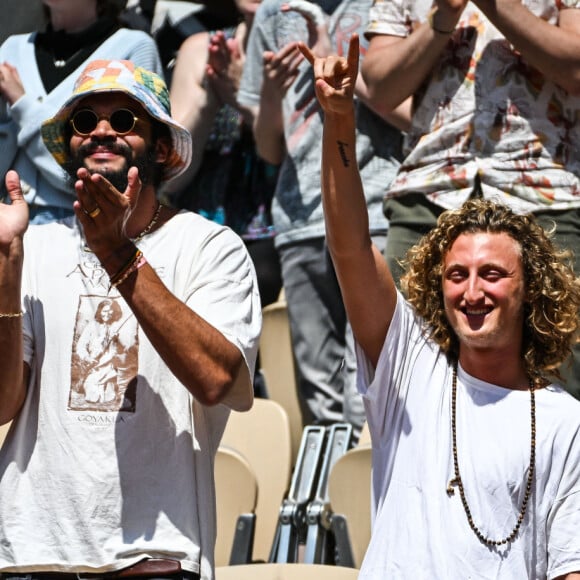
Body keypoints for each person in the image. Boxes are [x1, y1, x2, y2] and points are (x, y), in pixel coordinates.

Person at [300, 35, 580, 578]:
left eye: (492, 274)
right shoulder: (410, 370)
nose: (472, 292)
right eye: (457, 275)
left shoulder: (566, 421)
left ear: (531, 291)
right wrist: (339, 120)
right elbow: (351, 247)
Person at [0, 58, 260, 579]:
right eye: (84, 121)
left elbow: (215, 380)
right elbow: (3, 402)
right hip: (31, 551)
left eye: (123, 119)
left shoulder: (210, 247)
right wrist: (8, 265)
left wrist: (118, 253)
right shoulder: (38, 247)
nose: (101, 130)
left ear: (160, 148)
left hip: (154, 557)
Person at [359, 0, 580, 397]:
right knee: (405, 378)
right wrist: (441, 17)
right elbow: (379, 87)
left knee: (559, 374)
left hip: (545, 189)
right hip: (429, 191)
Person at [237, 0, 407, 433]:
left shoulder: (388, 6)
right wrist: (273, 93)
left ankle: (370, 487)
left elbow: (416, 116)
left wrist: (331, 54)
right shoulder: (274, 13)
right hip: (298, 218)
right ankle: (331, 494)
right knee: (319, 389)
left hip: (374, 209)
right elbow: (268, 148)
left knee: (372, 377)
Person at [0, 0, 163, 224]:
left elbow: (134, 162)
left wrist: (22, 104)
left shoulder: (133, 46)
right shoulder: (12, 48)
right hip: (8, 215)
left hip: (86, 221)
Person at [169, 0, 283, 311]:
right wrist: (208, 98)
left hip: (277, 235)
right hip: (200, 229)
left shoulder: (305, 47)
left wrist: (244, 98)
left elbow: (287, 152)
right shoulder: (199, 49)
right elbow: (173, 174)